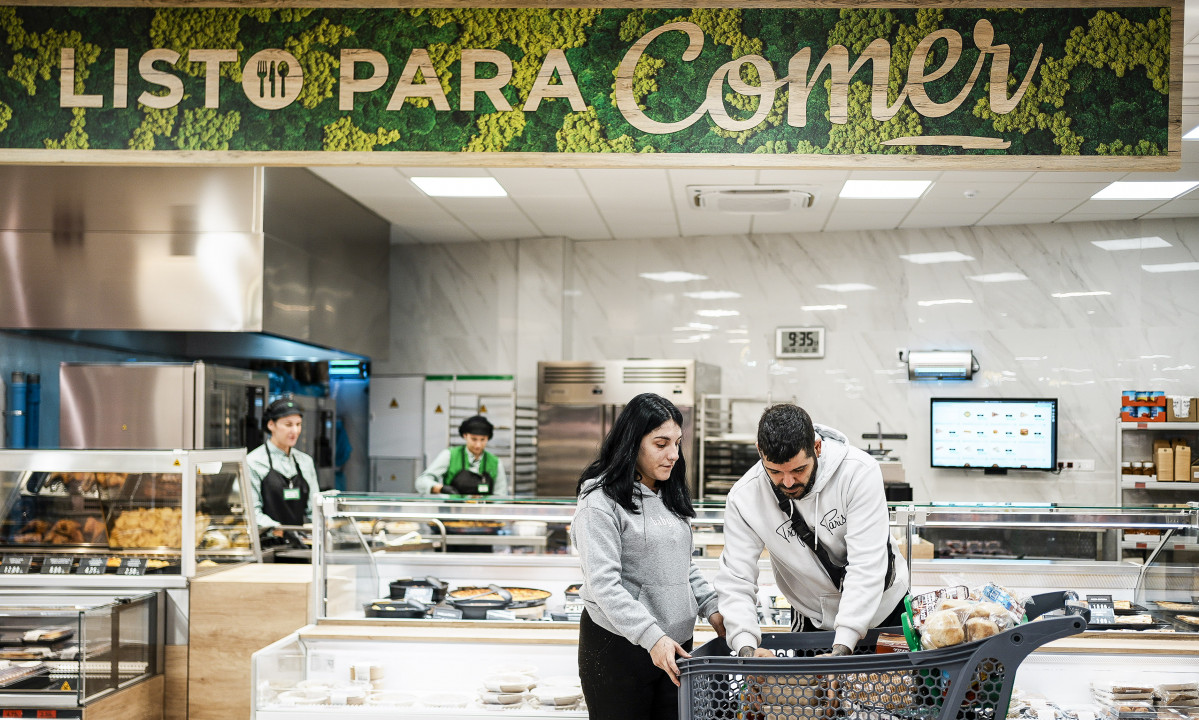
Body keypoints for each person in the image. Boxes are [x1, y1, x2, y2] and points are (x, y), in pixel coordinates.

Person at [571, 392, 725, 720]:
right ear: (632, 442)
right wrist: (652, 638)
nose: (673, 454)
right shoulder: (599, 501)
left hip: (676, 646)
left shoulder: (667, 492)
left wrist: (713, 609)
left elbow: (683, 564)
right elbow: (604, 584)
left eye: (678, 443)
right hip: (620, 648)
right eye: (661, 443)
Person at [715, 403, 909, 658]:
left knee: (890, 694)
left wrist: (843, 645)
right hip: (812, 617)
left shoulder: (858, 472)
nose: (787, 482)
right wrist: (746, 647)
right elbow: (736, 580)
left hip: (886, 608)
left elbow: (867, 565)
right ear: (759, 452)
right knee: (816, 698)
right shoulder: (744, 497)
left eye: (798, 470)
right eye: (774, 471)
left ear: (816, 447)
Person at [245, 396, 320, 534]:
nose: (295, 431)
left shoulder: (305, 462)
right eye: (288, 425)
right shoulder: (253, 462)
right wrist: (281, 531)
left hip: (301, 546)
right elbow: (251, 513)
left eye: (298, 424)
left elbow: (314, 510)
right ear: (271, 425)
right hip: (267, 546)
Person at [415, 415, 508, 496]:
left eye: (482, 439)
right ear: (465, 436)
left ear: (488, 438)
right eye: (474, 439)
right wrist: (440, 488)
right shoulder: (450, 455)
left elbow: (500, 495)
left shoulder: (495, 462)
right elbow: (421, 481)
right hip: (452, 513)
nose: (478, 445)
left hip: (484, 514)